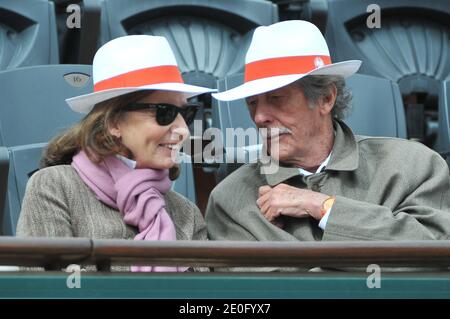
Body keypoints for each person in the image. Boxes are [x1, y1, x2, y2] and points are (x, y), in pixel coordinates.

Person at [206, 20, 450, 270]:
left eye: (276, 98)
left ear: (325, 98)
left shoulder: (413, 166)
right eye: (252, 103)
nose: (259, 117)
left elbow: (435, 256)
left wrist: (320, 205)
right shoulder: (230, 200)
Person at [16, 35, 215, 272]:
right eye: (164, 112)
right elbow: (47, 292)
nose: (182, 129)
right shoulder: (54, 186)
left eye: (188, 113)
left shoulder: (186, 212)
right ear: (114, 123)